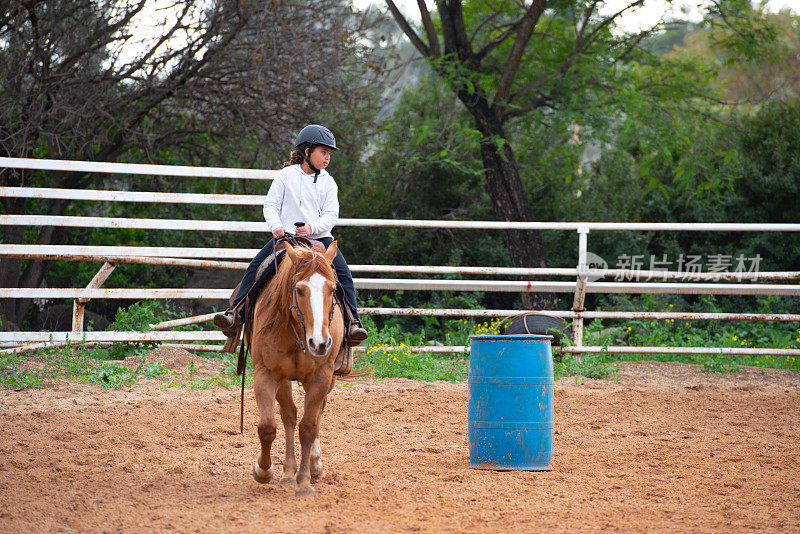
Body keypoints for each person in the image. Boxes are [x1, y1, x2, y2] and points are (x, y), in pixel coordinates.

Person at [213, 124, 367, 344]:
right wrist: (276, 225)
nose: (327, 158)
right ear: (307, 152)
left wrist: (311, 228)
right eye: (323, 152)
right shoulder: (286, 176)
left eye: (329, 154)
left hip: (320, 238)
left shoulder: (329, 182)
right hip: (286, 237)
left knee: (344, 277)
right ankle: (235, 312)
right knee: (256, 268)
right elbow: (271, 205)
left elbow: (332, 215)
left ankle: (353, 323)